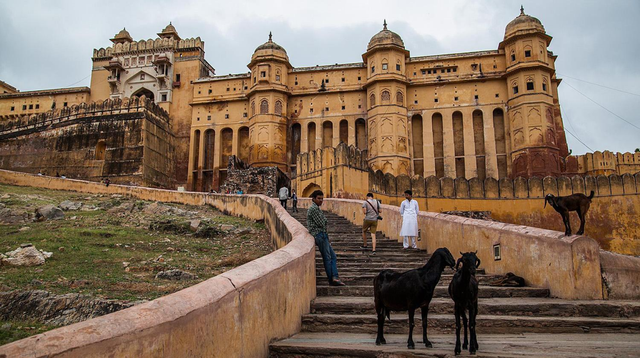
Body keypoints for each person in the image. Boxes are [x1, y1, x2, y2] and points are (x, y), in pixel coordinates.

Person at [307, 190, 345, 286]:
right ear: (313, 199)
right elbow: (322, 222)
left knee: (332, 257)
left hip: (322, 234)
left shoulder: (317, 208)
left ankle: (334, 277)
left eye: (322, 198)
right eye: (319, 198)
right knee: (328, 258)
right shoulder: (314, 209)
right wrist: (324, 221)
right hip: (319, 234)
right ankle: (332, 279)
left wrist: (324, 221)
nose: (321, 200)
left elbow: (324, 221)